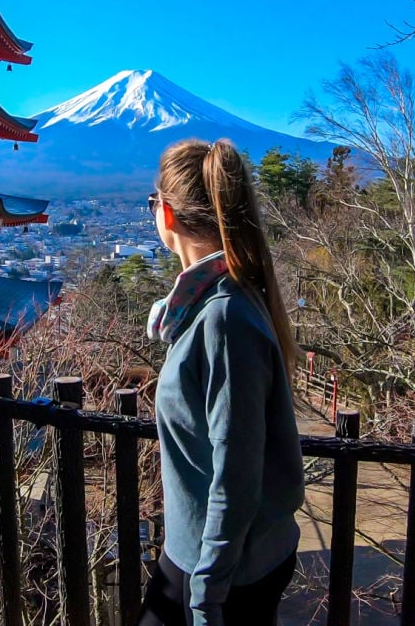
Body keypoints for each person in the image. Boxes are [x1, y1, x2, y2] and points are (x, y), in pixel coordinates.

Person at [137, 138, 305, 626]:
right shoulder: (221, 301)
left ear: (166, 213)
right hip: (220, 560)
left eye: (152, 203)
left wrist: (208, 596)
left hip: (219, 572)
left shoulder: (223, 319)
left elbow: (236, 472)